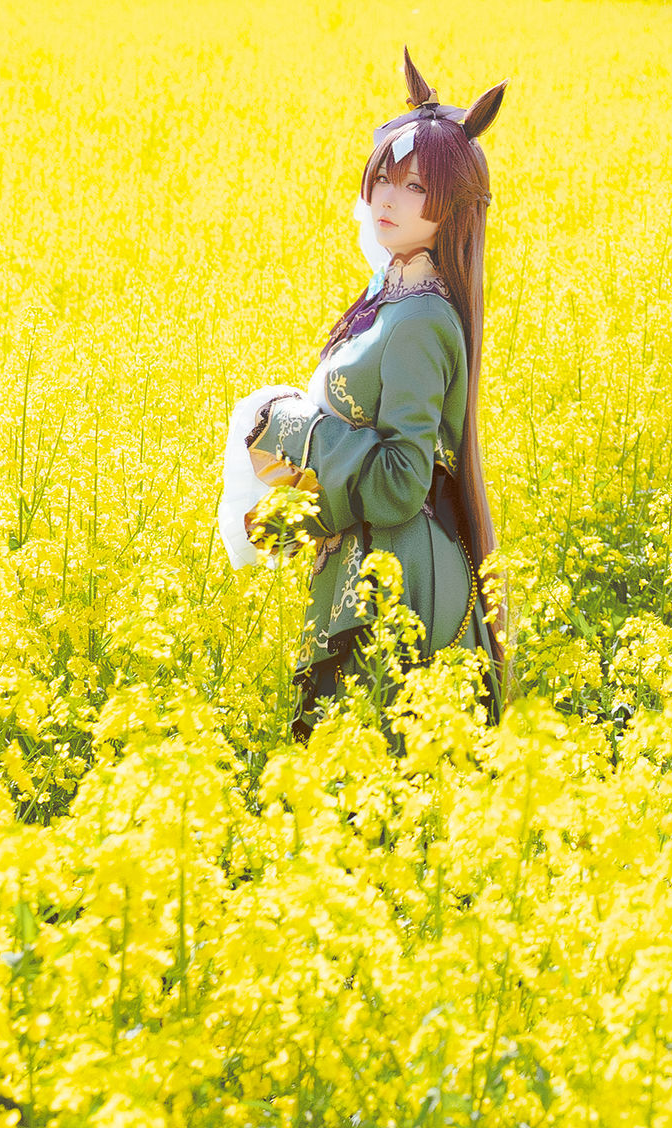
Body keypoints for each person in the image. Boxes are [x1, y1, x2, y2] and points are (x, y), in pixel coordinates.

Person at [220, 54, 506, 737]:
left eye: (413, 186)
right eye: (383, 176)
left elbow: (402, 481)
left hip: (398, 582)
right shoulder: (397, 300)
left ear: (453, 206)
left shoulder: (418, 321)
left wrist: (288, 426)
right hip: (379, 567)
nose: (387, 198)